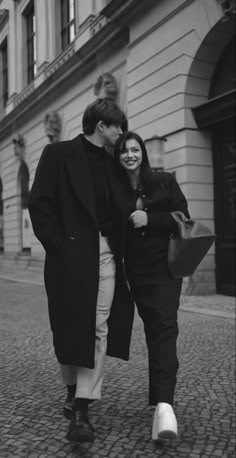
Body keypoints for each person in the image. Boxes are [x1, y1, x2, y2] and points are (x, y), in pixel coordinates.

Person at [28, 99, 134, 443]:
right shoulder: (58, 154)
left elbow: (124, 206)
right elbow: (39, 203)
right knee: (68, 326)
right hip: (68, 256)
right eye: (117, 126)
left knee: (97, 326)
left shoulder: (113, 163)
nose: (121, 132)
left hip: (104, 254)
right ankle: (72, 388)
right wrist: (59, 246)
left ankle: (83, 409)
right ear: (100, 125)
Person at [114, 131, 190, 441]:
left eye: (134, 149)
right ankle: (158, 397)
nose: (130, 154)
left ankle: (165, 406)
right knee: (154, 330)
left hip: (166, 268)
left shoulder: (164, 181)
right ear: (118, 156)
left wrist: (150, 219)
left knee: (164, 327)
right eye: (124, 151)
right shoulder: (114, 189)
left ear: (143, 152)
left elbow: (184, 216)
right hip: (137, 271)